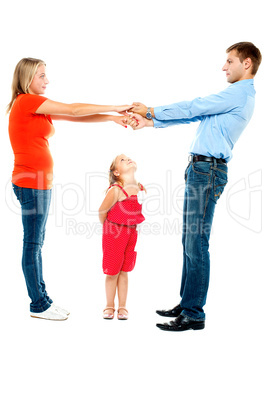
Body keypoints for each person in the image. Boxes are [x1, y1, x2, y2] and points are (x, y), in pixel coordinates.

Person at [129, 42, 262, 331]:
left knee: (196, 243)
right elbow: (197, 116)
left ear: (247, 63)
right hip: (201, 169)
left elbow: (196, 105)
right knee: (189, 241)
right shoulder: (234, 97)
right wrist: (150, 123)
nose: (224, 67)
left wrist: (151, 110)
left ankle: (193, 314)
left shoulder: (238, 94)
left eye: (229, 61)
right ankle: (187, 302)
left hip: (207, 170)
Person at [8, 57, 135, 321]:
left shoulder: (36, 106)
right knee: (32, 245)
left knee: (36, 243)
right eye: (42, 76)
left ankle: (42, 298)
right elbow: (75, 109)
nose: (47, 80)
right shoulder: (27, 101)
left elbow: (76, 118)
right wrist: (116, 106)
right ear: (27, 78)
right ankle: (38, 305)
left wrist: (112, 118)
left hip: (39, 184)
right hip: (31, 184)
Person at [99, 154, 145, 320]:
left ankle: (123, 307)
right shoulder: (116, 190)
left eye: (129, 158)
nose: (128, 159)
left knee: (124, 270)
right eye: (122, 160)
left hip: (131, 232)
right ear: (116, 172)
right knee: (112, 271)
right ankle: (109, 306)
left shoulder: (139, 187)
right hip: (114, 232)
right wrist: (108, 228)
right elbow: (102, 211)